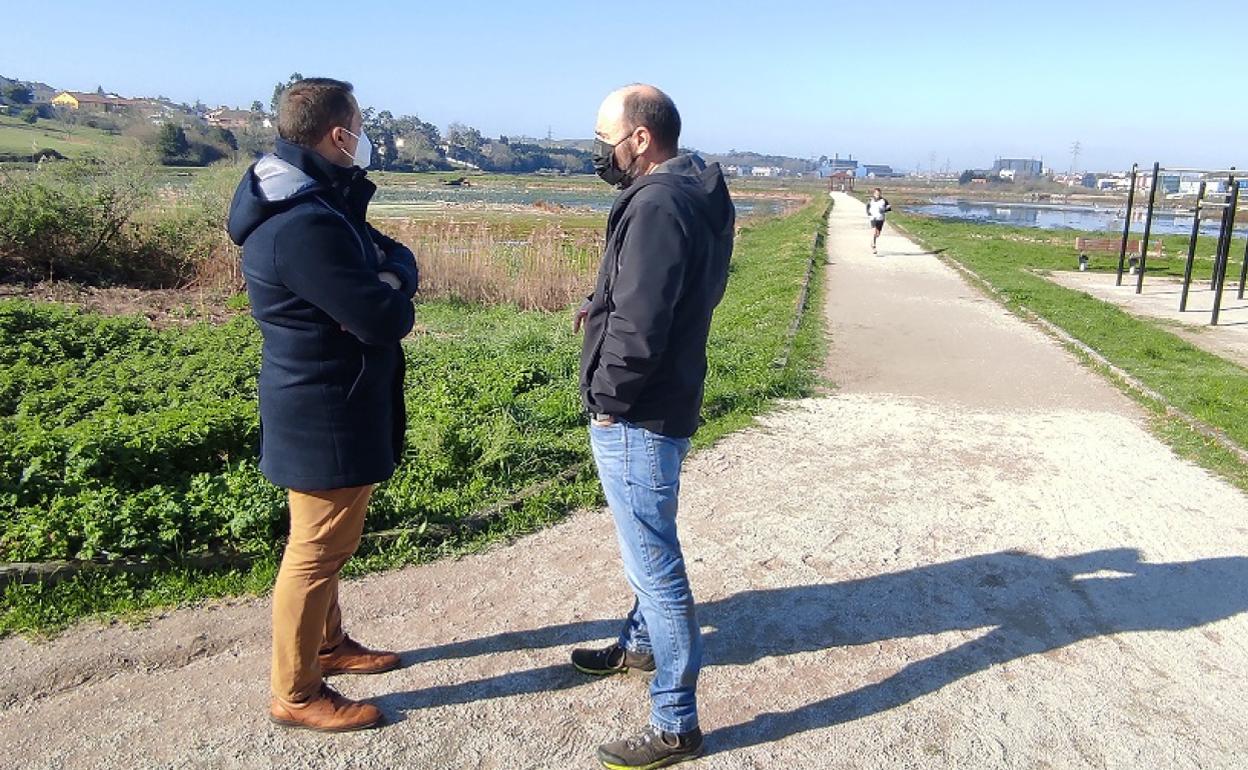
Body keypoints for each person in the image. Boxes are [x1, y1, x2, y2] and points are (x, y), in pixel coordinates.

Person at [226, 77, 420, 733]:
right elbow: (383, 315)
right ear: (340, 135)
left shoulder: (313, 200)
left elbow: (392, 259)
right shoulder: (304, 225)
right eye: (361, 124)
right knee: (314, 552)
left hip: (331, 398)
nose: (366, 135)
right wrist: (386, 289)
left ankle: (329, 646)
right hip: (324, 409)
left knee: (327, 545)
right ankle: (296, 691)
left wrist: (387, 275)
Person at [571, 84, 734, 769]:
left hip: (639, 411)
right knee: (646, 540)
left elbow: (644, 318)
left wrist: (609, 394)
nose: (602, 152)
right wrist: (596, 302)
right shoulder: (691, 189)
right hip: (663, 396)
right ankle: (639, 647)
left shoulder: (661, 202)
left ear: (640, 138)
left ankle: (676, 722)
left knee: (656, 565)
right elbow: (649, 289)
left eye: (608, 137)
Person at [866, 187, 891, 253]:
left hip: (881, 218)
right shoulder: (870, 200)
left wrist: (884, 210)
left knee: (878, 234)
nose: (878, 194)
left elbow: (889, 208)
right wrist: (869, 213)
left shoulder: (884, 200)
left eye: (879, 193)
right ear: (874, 194)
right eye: (876, 193)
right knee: (874, 231)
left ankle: (872, 242)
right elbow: (867, 207)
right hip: (873, 217)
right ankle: (874, 246)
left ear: (880, 193)